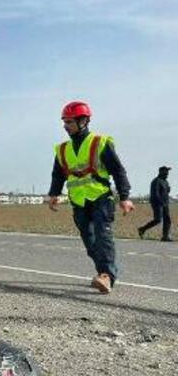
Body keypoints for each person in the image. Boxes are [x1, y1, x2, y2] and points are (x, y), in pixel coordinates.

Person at [48, 101, 134, 294]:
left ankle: (106, 275)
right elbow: (58, 174)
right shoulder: (62, 149)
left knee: (103, 237)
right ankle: (103, 272)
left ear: (83, 121)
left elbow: (118, 171)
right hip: (78, 201)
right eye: (64, 122)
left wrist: (125, 197)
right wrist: (54, 194)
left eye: (69, 122)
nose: (65, 126)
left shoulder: (99, 143)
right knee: (90, 241)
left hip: (100, 197)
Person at [138, 166, 172, 241]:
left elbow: (166, 191)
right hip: (157, 203)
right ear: (161, 172)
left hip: (165, 203)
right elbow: (155, 194)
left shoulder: (165, 181)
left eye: (167, 172)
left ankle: (165, 236)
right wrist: (160, 202)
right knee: (158, 219)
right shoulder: (156, 181)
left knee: (167, 220)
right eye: (166, 171)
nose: (167, 173)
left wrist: (168, 190)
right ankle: (142, 229)